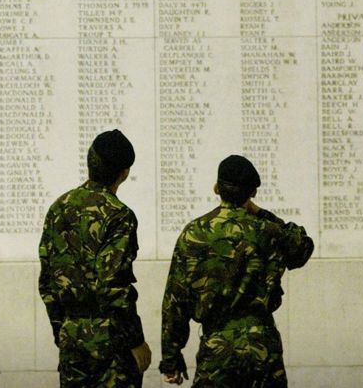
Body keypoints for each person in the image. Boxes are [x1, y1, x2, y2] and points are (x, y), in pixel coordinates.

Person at [159, 155, 314, 387]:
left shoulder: (194, 233)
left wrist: (171, 358)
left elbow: (175, 300)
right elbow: (302, 246)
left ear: (216, 188)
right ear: (253, 193)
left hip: (217, 348)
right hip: (262, 348)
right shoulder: (268, 231)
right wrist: (259, 212)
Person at [38, 129, 152, 387]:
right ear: (124, 173)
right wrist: (135, 340)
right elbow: (113, 285)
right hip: (111, 342)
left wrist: (63, 331)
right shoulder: (119, 215)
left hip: (72, 338)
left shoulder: (59, 208)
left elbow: (47, 281)